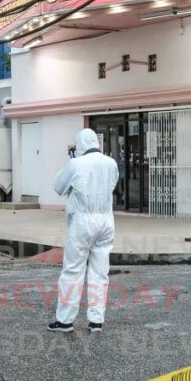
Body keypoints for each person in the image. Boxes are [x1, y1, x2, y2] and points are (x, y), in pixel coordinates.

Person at [47, 128, 120, 333]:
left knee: (73, 270)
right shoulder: (111, 163)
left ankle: (65, 321)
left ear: (79, 145)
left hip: (83, 220)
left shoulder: (75, 163)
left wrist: (70, 162)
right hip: (106, 220)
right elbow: (111, 186)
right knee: (100, 271)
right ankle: (96, 320)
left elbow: (58, 187)